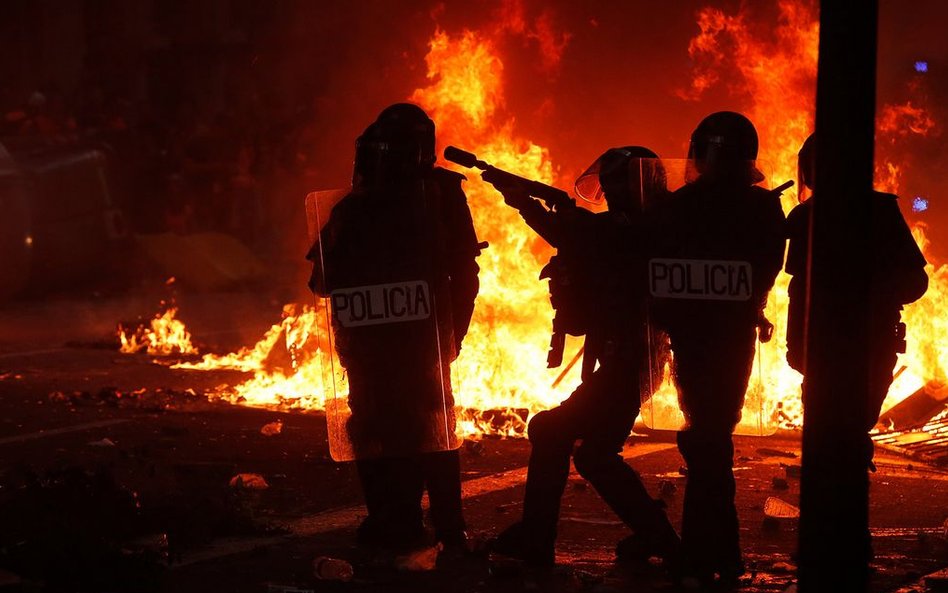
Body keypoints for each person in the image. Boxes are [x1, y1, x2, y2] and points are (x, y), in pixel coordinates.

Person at [489, 147, 681, 569]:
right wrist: (526, 201)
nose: (610, 194)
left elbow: (582, 235)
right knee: (595, 454)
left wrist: (524, 202)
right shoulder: (646, 223)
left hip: (631, 359)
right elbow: (583, 236)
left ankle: (537, 541)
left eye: (615, 185)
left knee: (550, 430)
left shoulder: (643, 228)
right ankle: (661, 542)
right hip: (630, 358)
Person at [307, 103, 481, 553]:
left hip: (417, 340)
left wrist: (452, 333)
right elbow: (323, 281)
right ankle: (393, 519)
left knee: (432, 429)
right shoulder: (354, 206)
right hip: (370, 344)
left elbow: (463, 271)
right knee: (373, 429)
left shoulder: (442, 194)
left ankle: (447, 527)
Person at [649, 111, 786, 586]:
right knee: (712, 437)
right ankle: (718, 551)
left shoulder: (678, 206)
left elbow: (657, 268)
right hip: (729, 337)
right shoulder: (764, 209)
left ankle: (709, 551)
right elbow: (764, 272)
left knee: (705, 438)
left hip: (697, 336)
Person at [786, 133, 928, 565]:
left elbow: (915, 280)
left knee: (842, 437)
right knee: (835, 438)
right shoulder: (805, 217)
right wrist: (797, 347)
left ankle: (842, 539)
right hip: (832, 349)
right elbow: (799, 287)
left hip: (865, 346)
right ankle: (836, 537)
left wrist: (867, 289)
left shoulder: (880, 211)